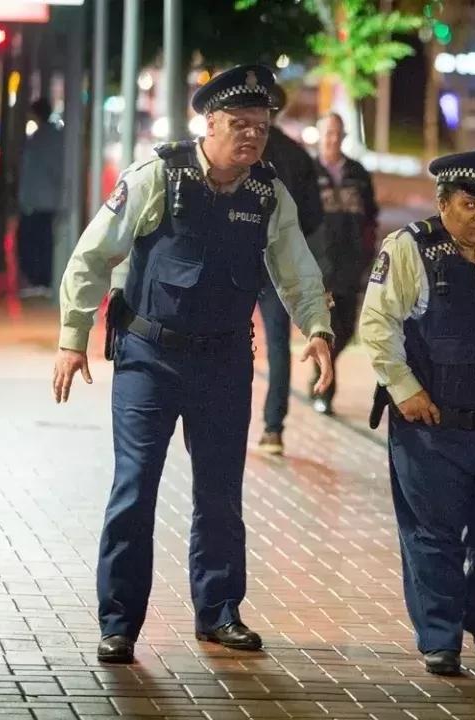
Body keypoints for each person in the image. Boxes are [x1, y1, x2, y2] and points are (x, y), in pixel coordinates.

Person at [52, 64, 335, 664]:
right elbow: (92, 255)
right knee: (135, 491)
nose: (252, 137)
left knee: (220, 496)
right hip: (148, 359)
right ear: (209, 122)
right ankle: (120, 623)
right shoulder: (159, 176)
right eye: (240, 124)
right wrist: (72, 337)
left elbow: (297, 268)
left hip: (225, 362)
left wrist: (317, 328)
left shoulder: (267, 193)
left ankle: (220, 612)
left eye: (261, 127)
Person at [359, 150, 475, 676]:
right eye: (469, 204)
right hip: (432, 428)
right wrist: (402, 388)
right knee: (433, 535)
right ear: (443, 203)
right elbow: (377, 325)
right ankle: (440, 637)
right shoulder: (410, 250)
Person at [255, 84, 325, 455]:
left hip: (236, 259)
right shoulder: (297, 156)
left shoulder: (244, 149)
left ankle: (212, 423)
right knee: (278, 345)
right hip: (279, 263)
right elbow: (313, 216)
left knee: (218, 337)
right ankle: (272, 428)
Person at [305, 112, 379, 415]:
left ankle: (323, 368)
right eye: (328, 134)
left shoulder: (357, 173)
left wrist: (367, 254)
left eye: (337, 134)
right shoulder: (307, 172)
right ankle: (324, 389)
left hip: (350, 266)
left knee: (347, 329)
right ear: (320, 136)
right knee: (328, 327)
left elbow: (371, 217)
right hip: (318, 267)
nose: (332, 139)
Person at [18, 97, 65, 297]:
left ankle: (39, 281)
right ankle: (41, 281)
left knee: (34, 240)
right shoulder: (54, 137)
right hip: (46, 199)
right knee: (42, 239)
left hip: (37, 201)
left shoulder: (39, 138)